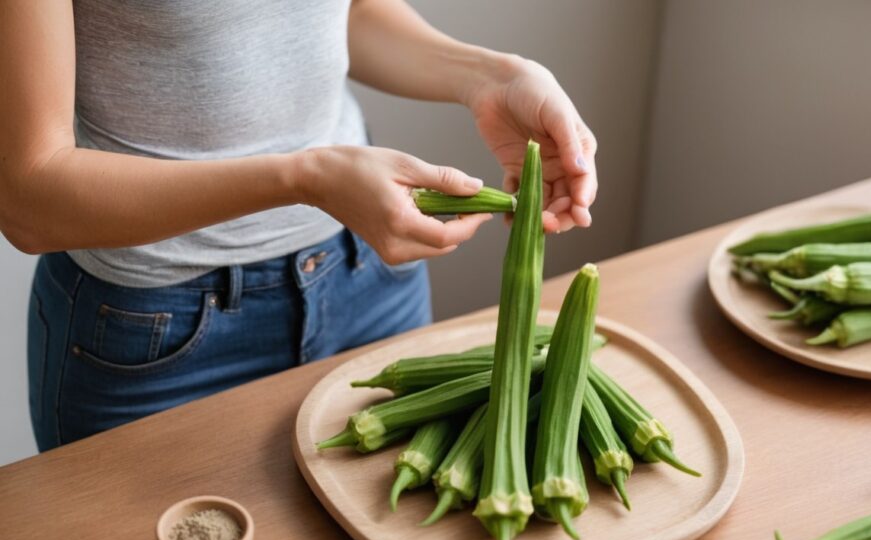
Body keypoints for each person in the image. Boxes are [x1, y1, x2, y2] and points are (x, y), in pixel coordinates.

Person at [0, 0, 597, 451]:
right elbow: (28, 195)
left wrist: (491, 78)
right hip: (155, 337)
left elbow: (342, 13)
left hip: (371, 283)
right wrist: (307, 178)